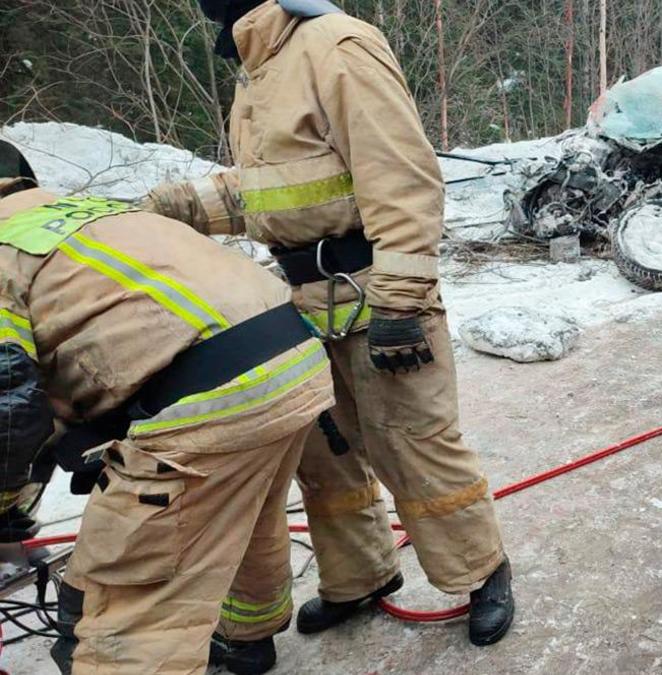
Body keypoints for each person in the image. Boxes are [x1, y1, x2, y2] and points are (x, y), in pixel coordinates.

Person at [145, 0, 515, 663]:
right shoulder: (260, 68)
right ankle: (361, 576)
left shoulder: (335, 45)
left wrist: (402, 299)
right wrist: (182, 206)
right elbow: (277, 191)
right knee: (326, 454)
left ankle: (482, 571)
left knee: (413, 443)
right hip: (303, 297)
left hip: (376, 288)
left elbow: (401, 176)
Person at [0, 140, 336, 675]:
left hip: (210, 395)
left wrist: (6, 504)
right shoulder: (76, 209)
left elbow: (9, 411)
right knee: (243, 511)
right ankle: (246, 637)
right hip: (294, 358)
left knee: (134, 592)